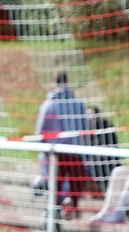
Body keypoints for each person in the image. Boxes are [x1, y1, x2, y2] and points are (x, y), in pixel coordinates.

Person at [34, 72, 91, 217]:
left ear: (54, 84)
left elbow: (41, 131)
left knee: (55, 185)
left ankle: (53, 212)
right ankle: (71, 205)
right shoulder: (79, 104)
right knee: (76, 182)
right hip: (75, 151)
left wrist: (43, 150)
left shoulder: (48, 105)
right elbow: (85, 128)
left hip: (55, 153)